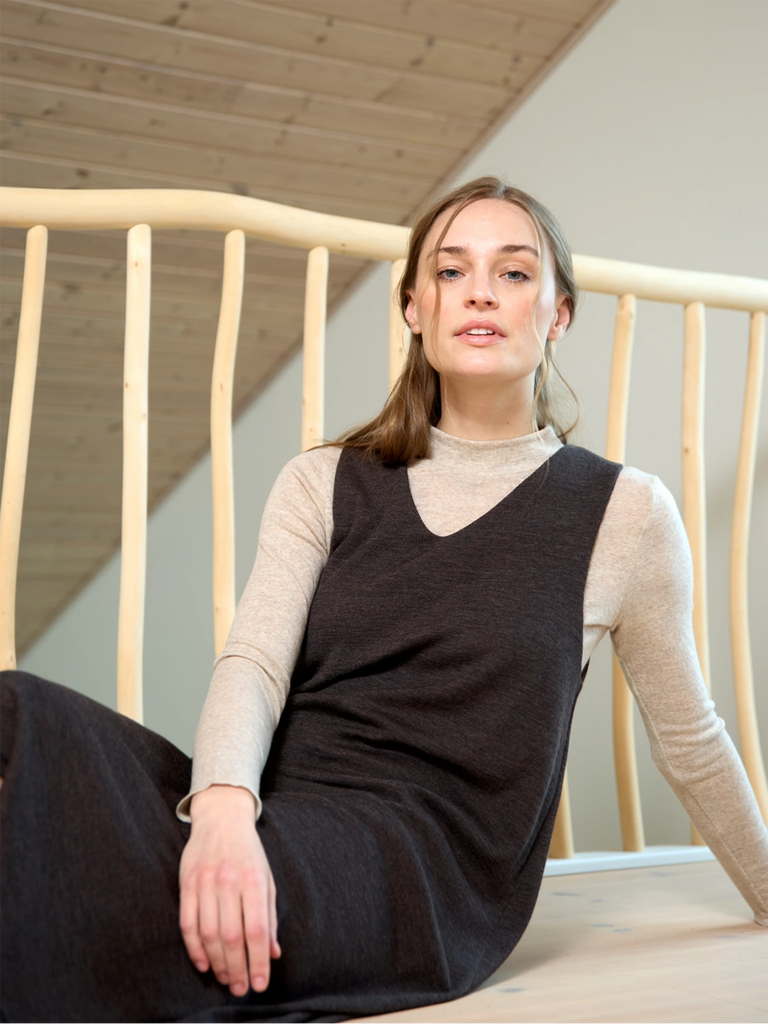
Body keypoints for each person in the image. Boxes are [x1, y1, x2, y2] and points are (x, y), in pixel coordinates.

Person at [1, 177, 766, 1024]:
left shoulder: (625, 514)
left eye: (514, 273)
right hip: (277, 811)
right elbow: (254, 665)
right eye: (451, 271)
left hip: (414, 869)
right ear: (414, 308)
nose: (480, 292)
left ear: (558, 314)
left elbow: (690, 738)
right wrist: (220, 817)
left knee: (114, 889)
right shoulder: (323, 480)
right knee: (17, 711)